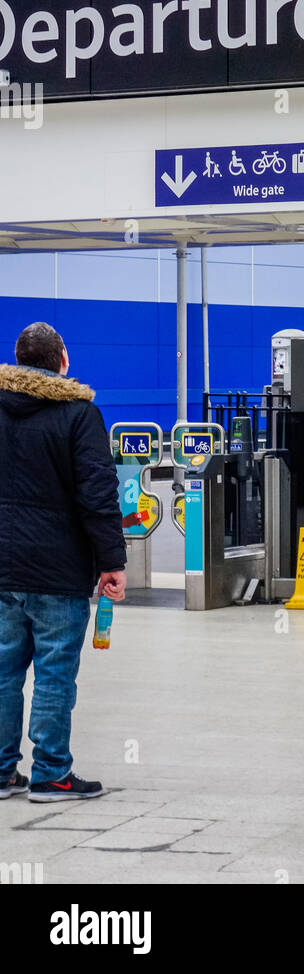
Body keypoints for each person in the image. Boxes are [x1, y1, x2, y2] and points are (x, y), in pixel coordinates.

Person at [0, 322, 126, 803]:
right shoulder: (78, 414)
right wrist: (112, 560)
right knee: (53, 673)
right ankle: (51, 774)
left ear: (16, 359)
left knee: (3, 672)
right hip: (58, 570)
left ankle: (1, 770)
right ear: (63, 360)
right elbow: (97, 493)